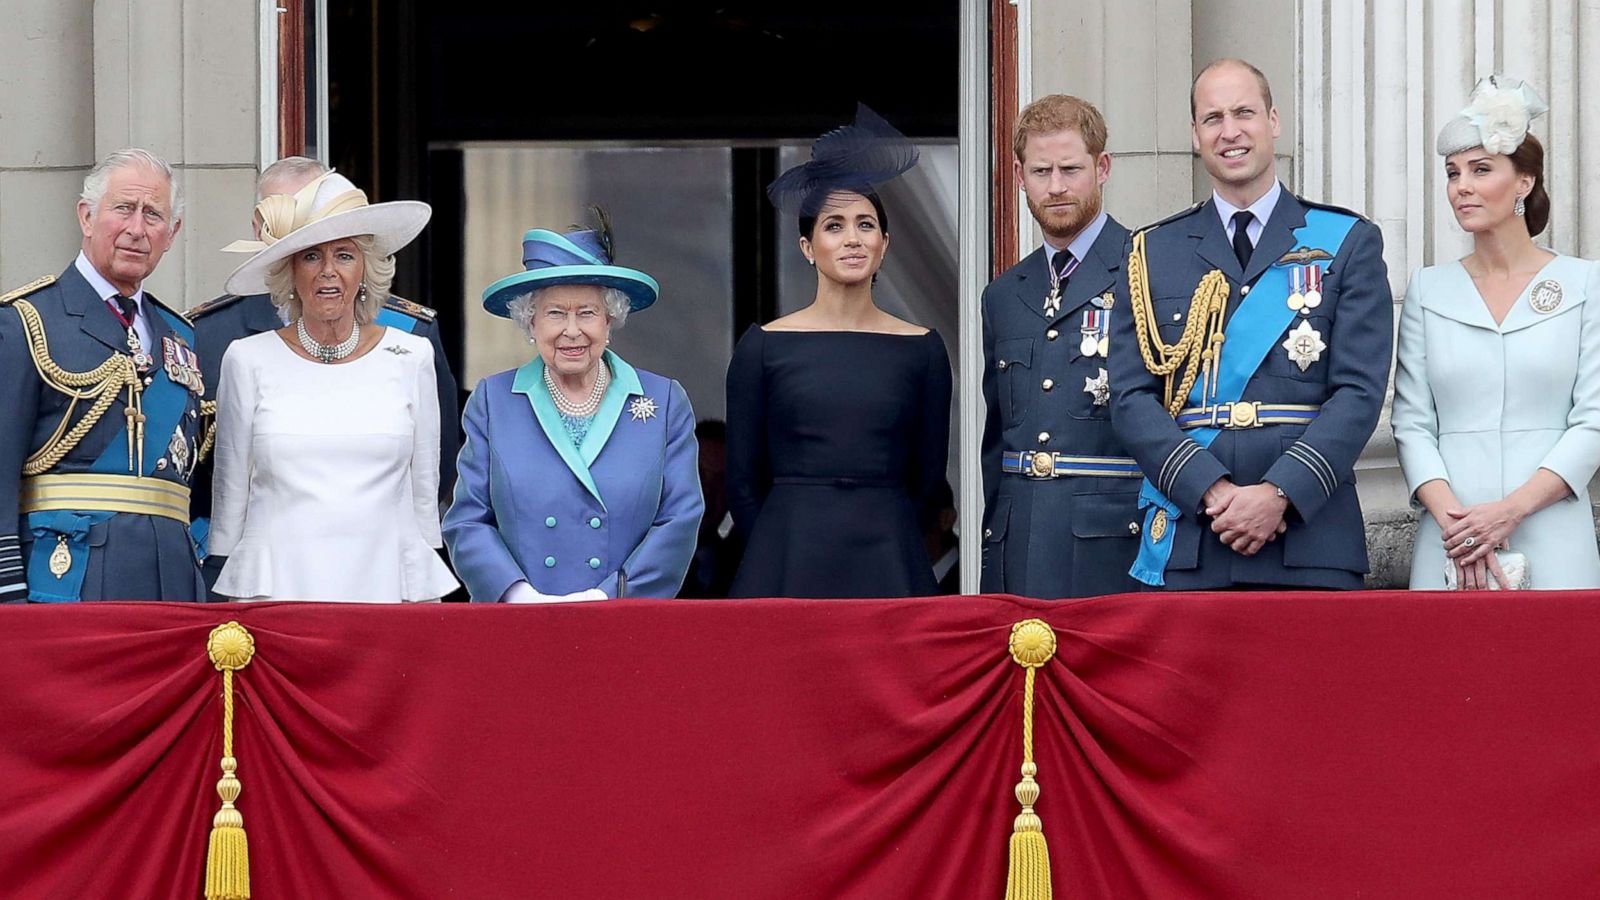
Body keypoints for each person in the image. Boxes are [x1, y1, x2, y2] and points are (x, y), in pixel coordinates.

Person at [1108, 58, 1391, 590]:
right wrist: (1210, 492)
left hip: (1309, 538)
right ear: (1195, 135)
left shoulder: (1347, 241)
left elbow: (1358, 393)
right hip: (1194, 535)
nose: (1230, 131)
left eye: (1244, 112)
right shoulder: (1152, 251)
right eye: (1212, 118)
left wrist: (1280, 492)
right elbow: (1130, 397)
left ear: (1273, 121)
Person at [189, 156, 460, 574]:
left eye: (343, 252)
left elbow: (432, 481)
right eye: (309, 252)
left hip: (380, 572)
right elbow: (213, 493)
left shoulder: (411, 343)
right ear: (265, 234)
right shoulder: (214, 339)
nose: (327, 269)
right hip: (271, 575)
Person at [726, 105, 953, 598]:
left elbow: (928, 479)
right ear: (807, 247)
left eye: (865, 224)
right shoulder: (762, 346)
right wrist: (780, 539)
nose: (852, 238)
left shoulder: (923, 349)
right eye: (834, 225)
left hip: (889, 556)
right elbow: (742, 482)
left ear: (885, 243)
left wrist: (885, 522)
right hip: (786, 556)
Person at [1392, 76, 1600, 590]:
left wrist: (1510, 511)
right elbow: (1412, 422)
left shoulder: (1584, 283)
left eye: (1481, 169)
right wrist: (1456, 521)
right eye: (1452, 172)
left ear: (1524, 182)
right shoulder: (1428, 289)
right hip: (1451, 535)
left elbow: (1593, 420)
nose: (1461, 185)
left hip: (1553, 528)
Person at [443, 218, 703, 602]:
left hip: (625, 621)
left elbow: (679, 519)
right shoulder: (493, 401)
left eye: (587, 312)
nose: (572, 330)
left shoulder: (663, 401)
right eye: (554, 313)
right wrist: (517, 595)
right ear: (529, 321)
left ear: (610, 320)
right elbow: (467, 520)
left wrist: (608, 596)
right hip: (522, 622)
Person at [0, 148, 206, 602]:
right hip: (66, 579)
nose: (137, 229)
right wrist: (7, 588)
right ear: (87, 216)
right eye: (123, 209)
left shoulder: (183, 337)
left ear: (172, 234)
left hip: (171, 583)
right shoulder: (27, 321)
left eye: (153, 215)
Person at [980, 94, 1144, 599]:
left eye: (1071, 169)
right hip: (1018, 543)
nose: (1055, 187)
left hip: (1113, 545)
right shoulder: (1004, 293)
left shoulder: (1148, 270)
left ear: (1103, 167)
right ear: (1018, 174)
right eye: (1040, 170)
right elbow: (996, 443)